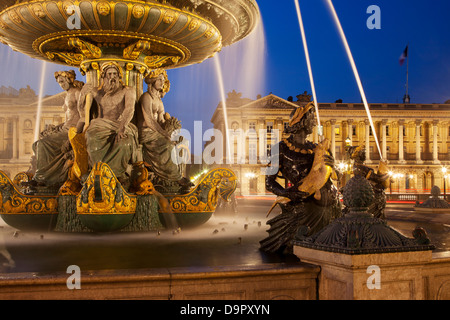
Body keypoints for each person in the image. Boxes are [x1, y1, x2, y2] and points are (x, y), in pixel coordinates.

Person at [260, 102, 342, 254]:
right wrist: (288, 194)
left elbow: (335, 176)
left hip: (331, 203)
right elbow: (269, 182)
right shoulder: (281, 148)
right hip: (305, 203)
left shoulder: (316, 148)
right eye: (311, 119)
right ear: (302, 122)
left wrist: (335, 166)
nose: (314, 123)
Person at [76, 62, 138, 183]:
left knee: (124, 143)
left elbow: (129, 109)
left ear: (119, 76)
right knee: (91, 138)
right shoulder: (95, 92)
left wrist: (122, 127)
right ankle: (97, 172)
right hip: (100, 125)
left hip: (121, 124)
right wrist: (82, 95)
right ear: (103, 77)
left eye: (115, 74)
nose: (112, 77)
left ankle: (118, 174)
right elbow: (83, 113)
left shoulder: (128, 90)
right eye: (109, 74)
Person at [136, 69, 192, 191]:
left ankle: (177, 175)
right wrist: (164, 134)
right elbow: (149, 120)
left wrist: (173, 132)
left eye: (163, 80)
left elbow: (161, 121)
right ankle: (175, 178)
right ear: (152, 81)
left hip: (156, 132)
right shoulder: (146, 97)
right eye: (159, 79)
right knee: (168, 145)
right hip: (145, 132)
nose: (162, 82)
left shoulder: (159, 101)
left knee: (182, 142)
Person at [31, 70, 83, 187]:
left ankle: (42, 178)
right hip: (64, 128)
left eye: (63, 81)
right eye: (59, 82)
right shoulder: (67, 95)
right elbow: (70, 116)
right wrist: (58, 126)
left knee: (42, 145)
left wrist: (74, 136)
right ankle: (48, 175)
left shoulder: (77, 93)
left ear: (69, 79)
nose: (61, 85)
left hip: (72, 130)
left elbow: (84, 116)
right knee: (37, 143)